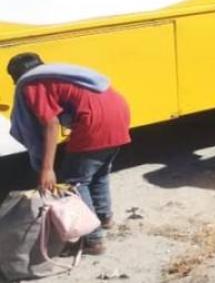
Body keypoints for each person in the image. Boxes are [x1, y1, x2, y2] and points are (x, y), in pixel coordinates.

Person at [7, 53, 131, 255]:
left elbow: (50, 123)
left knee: (75, 181)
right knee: (98, 173)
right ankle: (104, 217)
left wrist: (47, 169)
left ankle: (93, 239)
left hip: (95, 122)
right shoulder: (58, 75)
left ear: (16, 76)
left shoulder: (32, 84)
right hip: (119, 113)